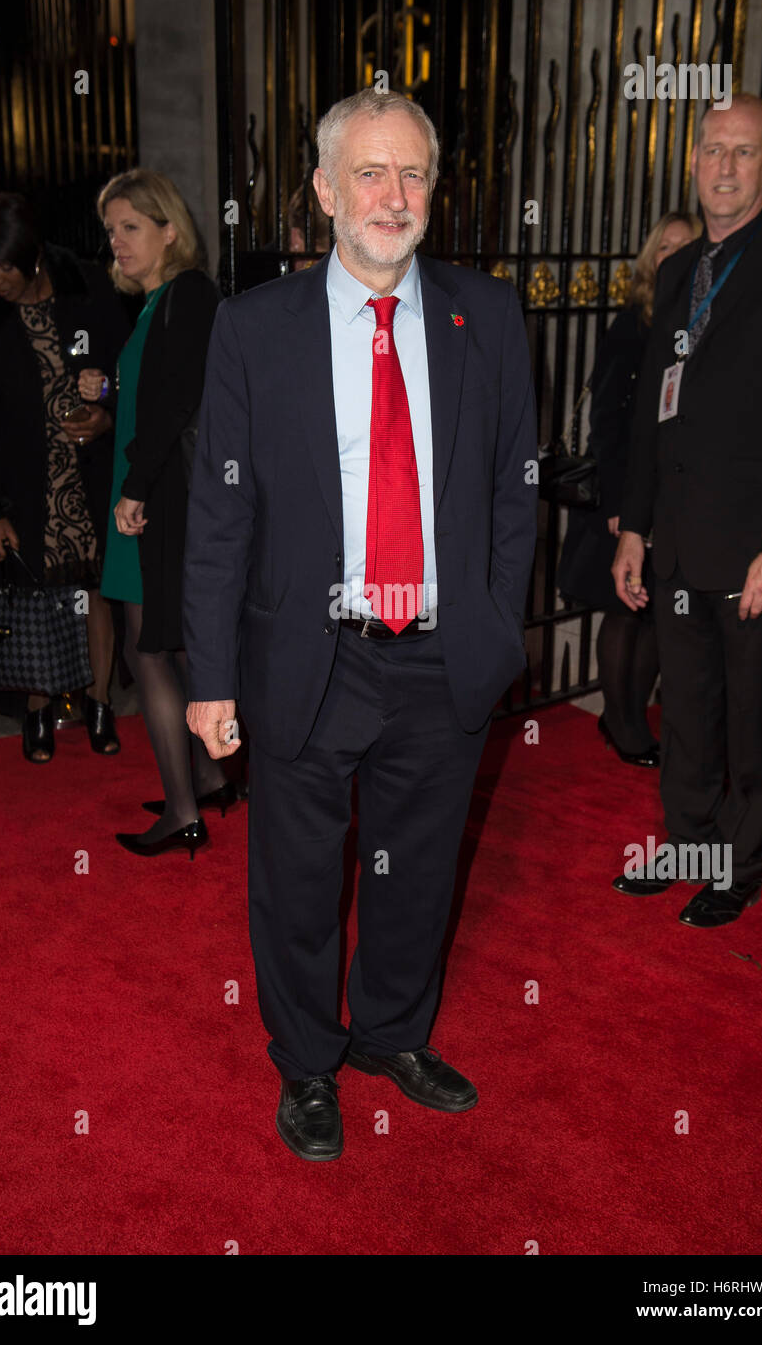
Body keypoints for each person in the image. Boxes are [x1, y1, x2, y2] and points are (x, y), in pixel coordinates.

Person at [182, 87, 537, 1162]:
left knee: (418, 866)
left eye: (414, 172)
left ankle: (392, 1034)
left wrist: (488, 619)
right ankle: (306, 1062)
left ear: (438, 189)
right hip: (310, 653)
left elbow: (516, 492)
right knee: (297, 876)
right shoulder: (255, 327)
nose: (394, 196)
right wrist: (210, 676)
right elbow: (219, 511)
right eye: (370, 174)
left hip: (439, 657)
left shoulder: (491, 315)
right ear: (327, 192)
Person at [611, 94, 762, 928]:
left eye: (743, 151)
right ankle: (691, 840)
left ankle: (739, 865)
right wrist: (633, 525)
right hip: (678, 542)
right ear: (692, 160)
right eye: (711, 150)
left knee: (754, 722)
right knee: (690, 711)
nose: (724, 167)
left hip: (761, 549)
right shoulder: (675, 270)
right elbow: (650, 419)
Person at [0, 193, 129, 761]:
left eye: (4, 264)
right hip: (26, 480)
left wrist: (105, 410)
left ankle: (100, 704)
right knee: (34, 596)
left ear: (33, 258)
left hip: (89, 471)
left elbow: (122, 375)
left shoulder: (87, 286)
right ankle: (37, 711)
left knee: (97, 591)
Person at [91, 169, 232, 859]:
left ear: (170, 230)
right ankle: (203, 776)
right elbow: (152, 402)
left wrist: (136, 489)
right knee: (164, 644)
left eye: (131, 227)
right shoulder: (154, 305)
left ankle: (183, 811)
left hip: (155, 503)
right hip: (144, 494)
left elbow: (178, 401)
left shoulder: (189, 294)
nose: (116, 241)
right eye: (111, 230)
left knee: (150, 648)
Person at [558, 211, 700, 764]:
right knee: (624, 612)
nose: (672, 256)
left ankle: (629, 718)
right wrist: (621, 508)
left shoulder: (701, 319)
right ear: (650, 257)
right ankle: (621, 725)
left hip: (678, 497)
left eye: (683, 248)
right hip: (627, 494)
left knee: (657, 613)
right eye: (663, 247)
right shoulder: (632, 323)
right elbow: (608, 422)